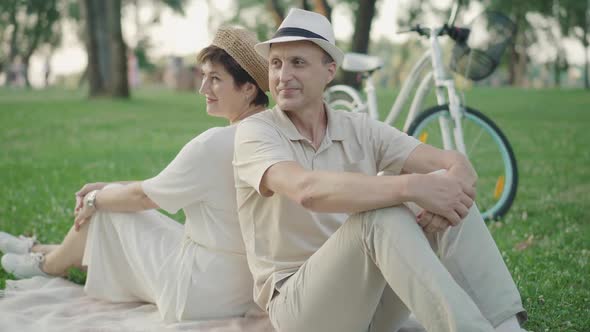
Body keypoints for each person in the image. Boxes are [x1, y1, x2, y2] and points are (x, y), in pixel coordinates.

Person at [233, 8, 527, 332]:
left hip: (370, 303)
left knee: (443, 185)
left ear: (329, 71)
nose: (282, 75)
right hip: (300, 310)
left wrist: (458, 173)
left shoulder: (357, 128)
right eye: (276, 63)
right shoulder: (256, 132)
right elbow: (307, 190)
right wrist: (412, 188)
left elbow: (450, 162)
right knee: (381, 213)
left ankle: (508, 326)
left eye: (297, 63)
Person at [0, 26, 269, 323]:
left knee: (110, 210)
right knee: (115, 199)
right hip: (244, 286)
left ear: (249, 88)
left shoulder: (213, 144)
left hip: (197, 291)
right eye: (203, 76)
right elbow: (163, 186)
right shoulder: (271, 133)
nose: (203, 88)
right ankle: (36, 249)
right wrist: (107, 190)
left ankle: (48, 265)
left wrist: (94, 200)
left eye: (215, 79)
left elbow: (142, 197)